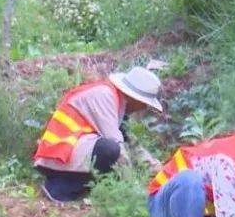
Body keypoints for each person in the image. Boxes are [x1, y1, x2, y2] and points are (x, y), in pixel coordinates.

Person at [33, 66, 163, 202]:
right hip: (59, 153)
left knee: (111, 155)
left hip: (67, 152)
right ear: (136, 99)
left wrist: (156, 169)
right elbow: (119, 148)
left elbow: (131, 142)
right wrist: (132, 187)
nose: (144, 108)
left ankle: (70, 186)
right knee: (109, 150)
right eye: (145, 104)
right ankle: (61, 188)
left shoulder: (116, 102)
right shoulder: (105, 96)